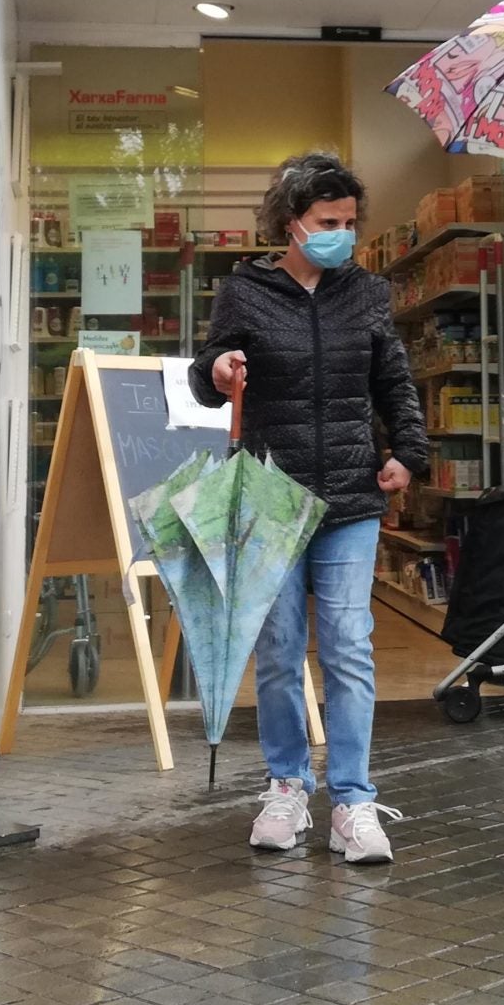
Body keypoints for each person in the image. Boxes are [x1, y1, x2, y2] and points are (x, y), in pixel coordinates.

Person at [190, 153, 428, 864]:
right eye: (329, 223)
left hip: (352, 495)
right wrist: (217, 371)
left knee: (350, 647)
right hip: (270, 495)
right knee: (280, 649)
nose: (343, 235)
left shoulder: (369, 293)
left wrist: (409, 450)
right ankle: (287, 787)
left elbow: (394, 378)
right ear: (292, 223)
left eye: (351, 223)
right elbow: (209, 377)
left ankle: (352, 799)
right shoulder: (245, 291)